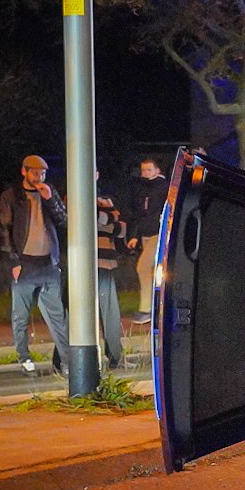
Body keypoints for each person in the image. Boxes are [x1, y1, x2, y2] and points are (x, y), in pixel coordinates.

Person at [0, 155, 73, 375]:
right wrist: (13, 261)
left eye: (43, 173)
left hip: (49, 264)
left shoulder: (49, 191)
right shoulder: (11, 196)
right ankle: (25, 359)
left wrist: (50, 199)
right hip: (25, 265)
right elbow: (3, 230)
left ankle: (67, 363)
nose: (39, 177)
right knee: (20, 316)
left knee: (58, 317)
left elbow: (64, 221)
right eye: (35, 173)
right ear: (24, 172)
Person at [95, 170, 133, 369]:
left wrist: (110, 219)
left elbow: (119, 226)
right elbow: (102, 219)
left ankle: (115, 356)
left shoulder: (106, 199)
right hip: (91, 264)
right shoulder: (74, 196)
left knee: (110, 311)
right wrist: (111, 218)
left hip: (106, 262)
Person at [125, 156, 167, 323]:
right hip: (145, 235)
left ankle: (146, 309)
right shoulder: (141, 189)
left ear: (157, 171)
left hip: (158, 233)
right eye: (143, 170)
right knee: (153, 272)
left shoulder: (163, 187)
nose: (145, 173)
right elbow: (138, 214)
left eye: (149, 170)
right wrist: (134, 235)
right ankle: (156, 308)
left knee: (143, 267)